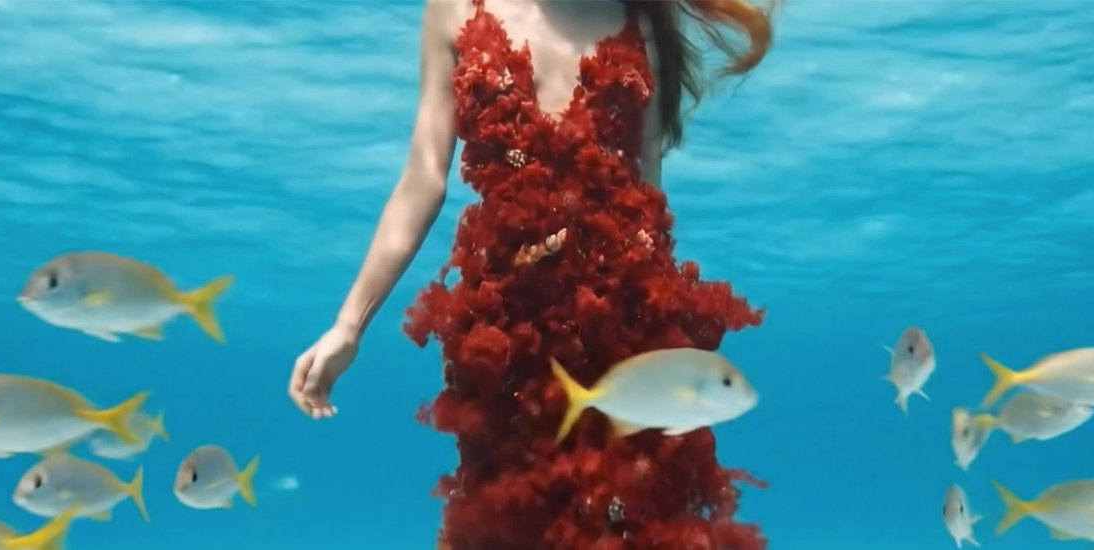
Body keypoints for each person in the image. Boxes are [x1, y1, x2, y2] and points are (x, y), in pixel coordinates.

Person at [289, 0, 775, 548]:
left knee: (635, 523)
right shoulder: (452, 10)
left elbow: (649, 195)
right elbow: (422, 179)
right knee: (501, 518)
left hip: (626, 332)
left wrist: (671, 347)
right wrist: (349, 324)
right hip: (506, 341)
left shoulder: (641, 24)